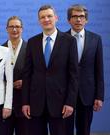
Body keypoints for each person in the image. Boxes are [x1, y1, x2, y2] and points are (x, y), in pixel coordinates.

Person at [21, 5, 79, 135]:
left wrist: (70, 103)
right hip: (36, 104)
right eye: (42, 17)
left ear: (56, 18)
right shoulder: (32, 42)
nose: (46, 19)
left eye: (49, 16)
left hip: (61, 104)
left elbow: (74, 75)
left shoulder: (70, 41)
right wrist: (25, 102)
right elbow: (27, 75)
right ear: (39, 21)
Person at [66, 4, 104, 135]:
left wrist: (99, 96)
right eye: (74, 17)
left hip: (87, 93)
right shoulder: (61, 39)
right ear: (68, 20)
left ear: (86, 20)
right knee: (65, 130)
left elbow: (99, 70)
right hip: (65, 93)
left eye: (81, 17)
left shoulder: (96, 39)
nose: (78, 20)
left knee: (84, 130)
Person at [2, 16, 29, 135]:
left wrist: (26, 82)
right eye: (11, 27)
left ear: (22, 29)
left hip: (25, 103)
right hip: (4, 103)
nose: (14, 29)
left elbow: (38, 73)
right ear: (6, 29)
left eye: (17, 27)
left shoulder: (31, 48)